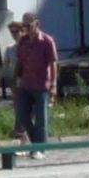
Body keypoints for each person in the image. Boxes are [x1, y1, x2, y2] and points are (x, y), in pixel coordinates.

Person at [12, 12, 60, 149]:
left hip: (41, 85)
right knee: (22, 116)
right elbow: (19, 61)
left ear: (37, 24)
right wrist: (15, 79)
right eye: (24, 26)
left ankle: (40, 148)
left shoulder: (47, 41)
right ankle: (37, 144)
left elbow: (53, 64)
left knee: (41, 119)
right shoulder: (23, 41)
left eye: (28, 25)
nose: (25, 29)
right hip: (26, 84)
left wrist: (54, 84)